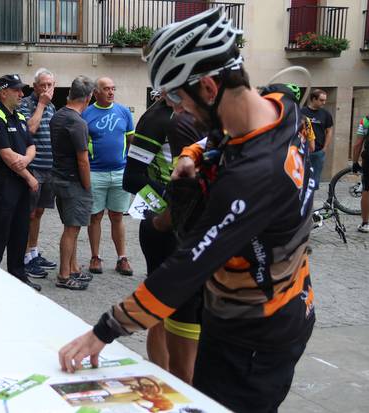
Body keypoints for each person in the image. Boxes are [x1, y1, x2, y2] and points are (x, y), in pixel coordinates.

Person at [59, 8, 316, 412]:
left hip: (251, 333)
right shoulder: (282, 106)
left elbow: (183, 270)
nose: (177, 110)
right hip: (284, 304)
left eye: (177, 96)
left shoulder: (250, 179)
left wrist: (103, 331)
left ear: (210, 88)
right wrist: (192, 152)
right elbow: (226, 134)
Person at [122, 93, 203, 383]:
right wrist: (174, 199)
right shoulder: (158, 119)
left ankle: (179, 378)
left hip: (194, 226)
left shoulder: (203, 116)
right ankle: (163, 376)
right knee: (161, 305)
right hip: (163, 226)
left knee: (189, 307)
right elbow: (131, 178)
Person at [0, 74, 41, 291]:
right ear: (3, 92)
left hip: (20, 181)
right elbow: (7, 156)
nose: (21, 94)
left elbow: (31, 146)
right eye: (17, 90)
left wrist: (25, 160)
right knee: (0, 230)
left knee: (20, 230)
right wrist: (30, 176)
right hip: (3, 182)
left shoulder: (20, 116)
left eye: (22, 90)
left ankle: (18, 275)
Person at [82, 77, 135, 277]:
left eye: (113, 88)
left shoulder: (123, 112)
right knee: (95, 217)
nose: (111, 92)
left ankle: (122, 258)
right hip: (95, 172)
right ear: (96, 92)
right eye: (106, 89)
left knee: (117, 216)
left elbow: (131, 140)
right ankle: (95, 257)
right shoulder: (87, 114)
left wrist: (128, 163)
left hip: (120, 172)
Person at [50, 75, 96, 291]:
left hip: (58, 177)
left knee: (72, 227)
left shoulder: (58, 115)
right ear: (88, 98)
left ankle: (74, 267)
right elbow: (82, 159)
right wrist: (87, 186)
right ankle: (64, 274)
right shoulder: (78, 122)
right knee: (71, 229)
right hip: (73, 181)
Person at [19, 68, 58, 278]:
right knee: (29, 213)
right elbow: (29, 130)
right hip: (33, 167)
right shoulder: (26, 104)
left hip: (49, 167)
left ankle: (33, 252)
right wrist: (41, 104)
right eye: (42, 85)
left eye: (49, 85)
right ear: (34, 86)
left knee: (40, 212)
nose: (46, 89)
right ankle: (24, 257)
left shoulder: (52, 106)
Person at [301, 89, 333, 189]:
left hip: (318, 152)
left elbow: (329, 131)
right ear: (313, 99)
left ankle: (310, 203)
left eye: (325, 100)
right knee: (300, 179)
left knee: (313, 182)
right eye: (321, 100)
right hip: (302, 151)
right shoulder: (302, 112)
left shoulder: (326, 114)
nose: (324, 102)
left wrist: (324, 148)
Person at [353, 113, 369, 232]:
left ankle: (365, 223)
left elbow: (358, 143)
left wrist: (355, 161)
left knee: (367, 190)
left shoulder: (365, 121)